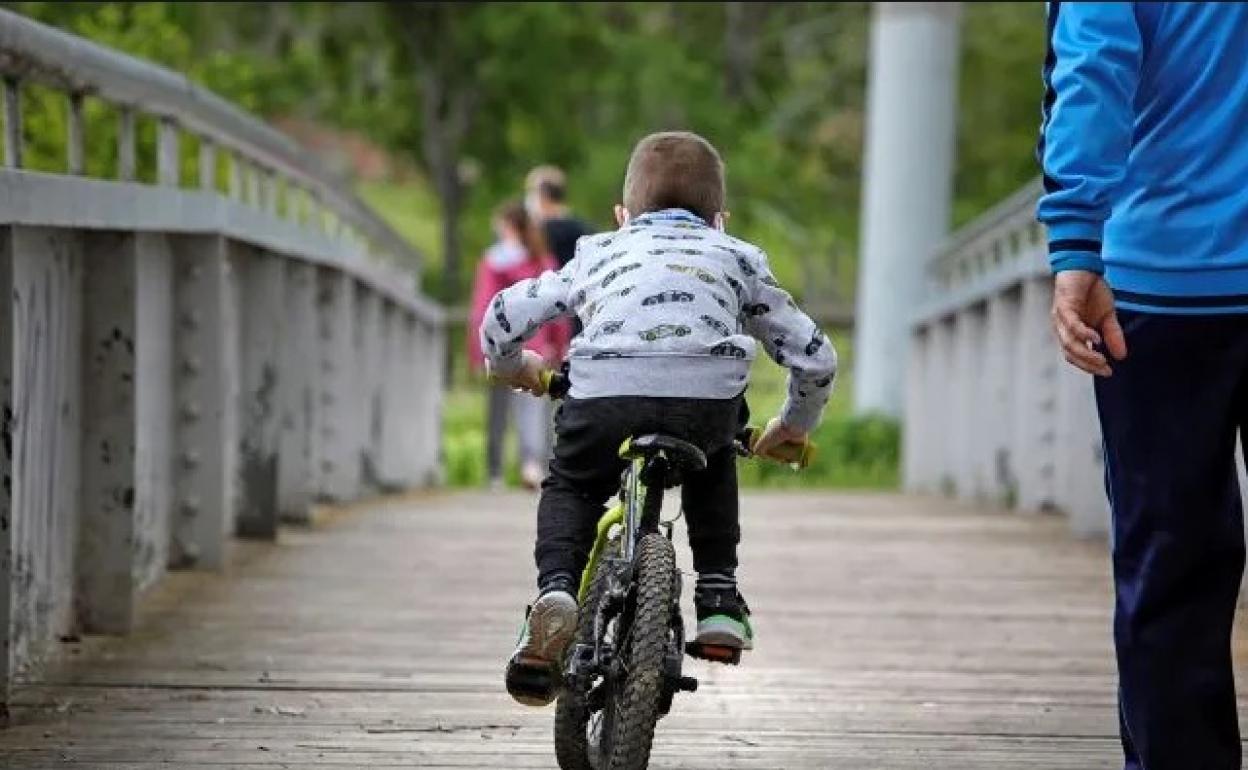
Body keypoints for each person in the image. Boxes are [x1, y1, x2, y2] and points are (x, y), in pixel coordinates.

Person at [481, 131, 838, 706]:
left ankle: (556, 593)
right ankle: (719, 599)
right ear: (720, 219)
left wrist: (514, 365)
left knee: (572, 485)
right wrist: (794, 426)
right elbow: (815, 356)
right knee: (715, 456)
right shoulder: (738, 256)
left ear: (623, 216)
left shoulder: (599, 251)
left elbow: (501, 317)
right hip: (704, 406)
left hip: (602, 397)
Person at [1037, 5, 1248, 769]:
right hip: (1163, 289)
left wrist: (1075, 242)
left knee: (1171, 566)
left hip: (1164, 282)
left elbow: (1091, 73)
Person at [468, 201, 569, 491]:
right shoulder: (542, 260)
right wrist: (559, 346)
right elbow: (556, 310)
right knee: (535, 410)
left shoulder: (493, 261)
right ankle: (532, 463)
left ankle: (496, 472)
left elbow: (482, 308)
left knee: (498, 413)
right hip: (538, 348)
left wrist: (477, 351)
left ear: (507, 226)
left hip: (498, 348)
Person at [526, 165, 593, 338]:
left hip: (553, 320)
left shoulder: (542, 234)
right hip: (582, 314)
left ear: (543, 196)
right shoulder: (584, 228)